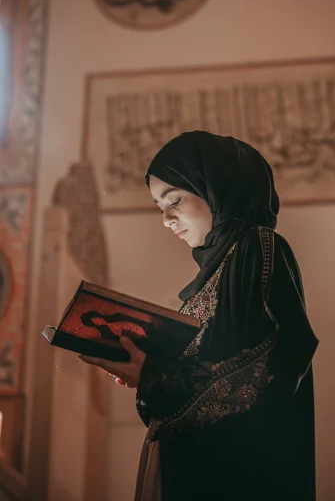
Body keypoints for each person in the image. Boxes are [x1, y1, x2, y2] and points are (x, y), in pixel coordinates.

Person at [79, 131, 319, 501]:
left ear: (217, 189)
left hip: (241, 478)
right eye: (160, 208)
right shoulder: (207, 282)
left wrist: (154, 376)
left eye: (174, 199)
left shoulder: (257, 246)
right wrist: (148, 369)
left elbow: (271, 362)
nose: (166, 219)